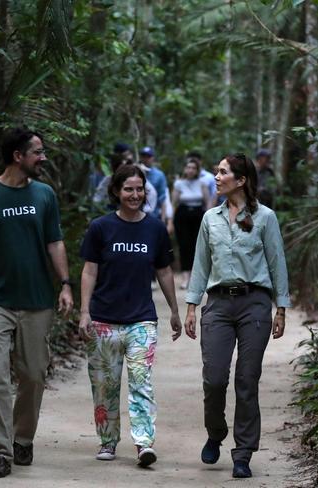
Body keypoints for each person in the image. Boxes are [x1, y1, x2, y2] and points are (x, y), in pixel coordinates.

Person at [0, 127, 74, 478]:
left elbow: (55, 242)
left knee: (33, 375)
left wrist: (65, 285)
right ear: (18, 156)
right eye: (37, 152)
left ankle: (23, 437)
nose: (43, 158)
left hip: (37, 299)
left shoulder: (45, 195)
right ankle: (0, 451)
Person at [184, 153, 291, 479]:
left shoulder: (265, 217)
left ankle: (243, 452)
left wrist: (281, 308)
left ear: (241, 180)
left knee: (247, 379)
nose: (216, 177)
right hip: (217, 305)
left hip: (254, 304)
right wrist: (191, 305)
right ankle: (215, 432)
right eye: (217, 171)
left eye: (223, 172)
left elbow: (277, 262)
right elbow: (201, 264)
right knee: (214, 379)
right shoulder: (209, 218)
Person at [79, 164, 183, 468]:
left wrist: (174, 310)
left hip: (141, 320)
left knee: (141, 381)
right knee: (105, 385)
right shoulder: (100, 227)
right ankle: (108, 441)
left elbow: (163, 271)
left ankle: (143, 443)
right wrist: (84, 311)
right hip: (103, 320)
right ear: (116, 192)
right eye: (128, 189)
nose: (135, 195)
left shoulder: (154, 228)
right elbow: (89, 270)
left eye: (140, 189)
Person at [172, 158, 210, 290]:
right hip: (182, 216)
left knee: (198, 245)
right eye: (188, 167)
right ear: (184, 169)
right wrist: (170, 221)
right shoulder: (179, 184)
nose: (190, 170)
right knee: (184, 245)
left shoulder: (202, 183)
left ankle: (197, 277)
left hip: (198, 215)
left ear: (197, 170)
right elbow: (174, 203)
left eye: (193, 168)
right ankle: (185, 277)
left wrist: (210, 219)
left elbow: (208, 202)